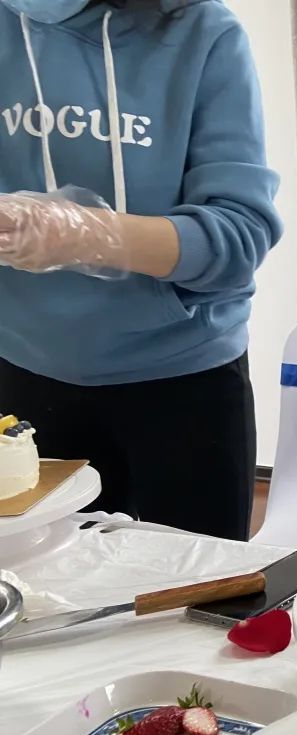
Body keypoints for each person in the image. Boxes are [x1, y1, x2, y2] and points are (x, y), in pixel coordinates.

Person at [0, 0, 281, 540]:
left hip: (182, 384)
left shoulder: (203, 32)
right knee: (43, 586)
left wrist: (88, 235)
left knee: (187, 589)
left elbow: (239, 236)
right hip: (23, 373)